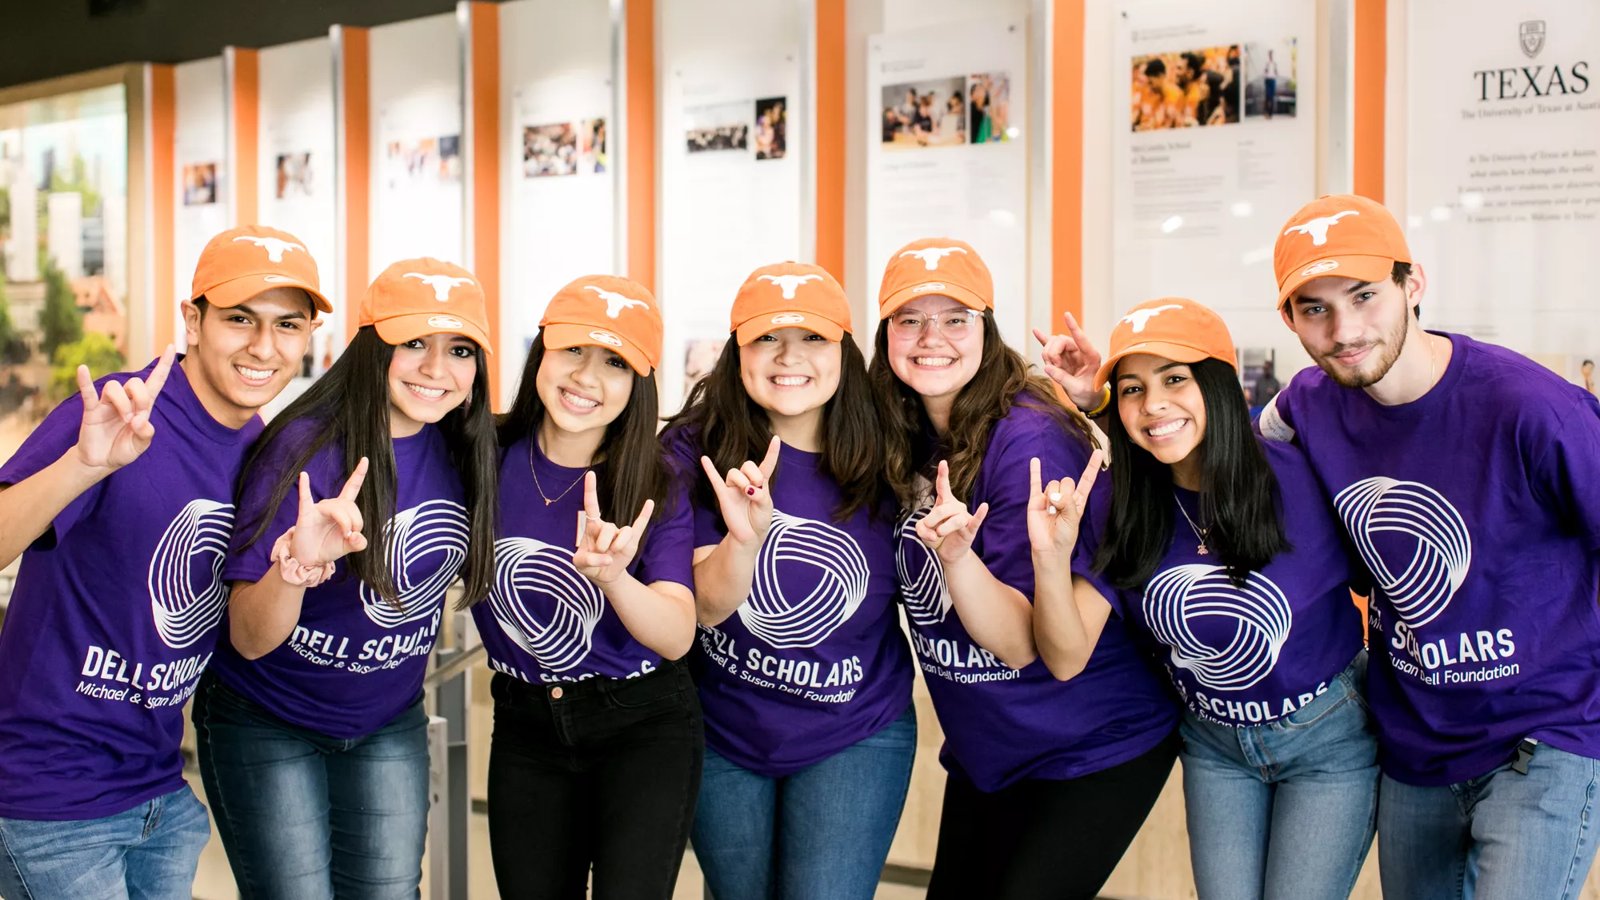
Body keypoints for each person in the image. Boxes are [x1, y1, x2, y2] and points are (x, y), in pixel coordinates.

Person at [1253, 193, 1600, 898]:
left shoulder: (1533, 409)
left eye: (1364, 296)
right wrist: (1099, 403)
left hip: (1544, 734)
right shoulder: (1302, 408)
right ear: (1288, 320)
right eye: (1315, 309)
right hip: (1416, 743)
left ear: (1414, 285)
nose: (1345, 329)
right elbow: (1214, 463)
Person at [0, 225, 329, 900]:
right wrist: (81, 467)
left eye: (287, 325)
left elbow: (247, 635)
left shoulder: (268, 453)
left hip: (161, 798)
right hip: (48, 793)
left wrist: (293, 571)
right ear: (193, 319)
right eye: (240, 318)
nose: (264, 347)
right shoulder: (120, 411)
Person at [1031, 297, 1376, 900]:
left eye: (1174, 379)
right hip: (1216, 745)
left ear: (1216, 385)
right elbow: (1064, 656)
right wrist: (1050, 560)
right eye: (1133, 389)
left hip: (1327, 739)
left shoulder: (1300, 474)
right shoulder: (1121, 502)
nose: (1153, 404)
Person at [869, 238, 1178, 899]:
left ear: (986, 327)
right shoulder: (899, 428)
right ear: (885, 332)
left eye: (955, 318)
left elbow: (1021, 643)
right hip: (993, 747)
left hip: (1091, 740)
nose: (932, 338)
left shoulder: (1030, 436)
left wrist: (955, 558)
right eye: (910, 319)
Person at [193, 258, 498, 898]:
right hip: (268, 718)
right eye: (414, 343)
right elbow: (248, 638)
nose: (436, 369)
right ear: (372, 349)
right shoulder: (306, 446)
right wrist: (296, 569)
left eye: (460, 349)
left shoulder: (467, 448)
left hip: (388, 718)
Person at [662, 263, 915, 900]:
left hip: (856, 728)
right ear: (736, 352)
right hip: (722, 730)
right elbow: (707, 609)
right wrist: (742, 541)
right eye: (767, 339)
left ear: (845, 352)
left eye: (812, 339)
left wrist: (1089, 404)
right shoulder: (690, 451)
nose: (789, 357)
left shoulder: (892, 449)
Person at [474, 276, 700, 899]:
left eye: (615, 363)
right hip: (524, 723)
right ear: (541, 352)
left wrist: (614, 580)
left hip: (641, 724)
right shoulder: (482, 453)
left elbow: (678, 635)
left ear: (639, 384)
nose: (587, 377)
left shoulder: (658, 479)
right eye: (573, 351)